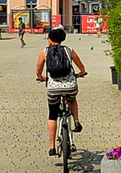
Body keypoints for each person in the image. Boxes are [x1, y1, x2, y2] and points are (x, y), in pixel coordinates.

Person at [35, 27, 87, 157]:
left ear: (51, 40)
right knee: (72, 99)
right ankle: (76, 121)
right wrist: (81, 73)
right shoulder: (69, 50)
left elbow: (38, 69)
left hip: (53, 88)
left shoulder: (44, 52)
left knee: (52, 113)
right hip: (70, 86)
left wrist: (41, 78)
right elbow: (80, 65)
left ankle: (52, 146)